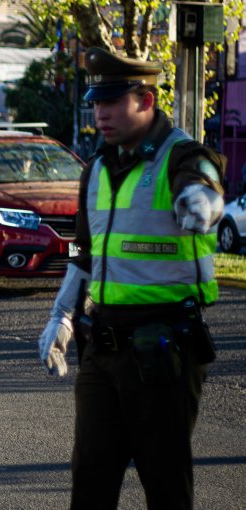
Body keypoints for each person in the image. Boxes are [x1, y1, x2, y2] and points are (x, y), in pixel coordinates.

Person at [37, 47, 226, 509]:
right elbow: (85, 251)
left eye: (112, 102)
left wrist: (202, 201)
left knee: (164, 484)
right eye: (96, 103)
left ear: (146, 99)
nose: (99, 113)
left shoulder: (180, 153)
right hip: (100, 349)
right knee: (90, 481)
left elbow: (203, 180)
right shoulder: (99, 168)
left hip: (162, 348)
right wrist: (62, 315)